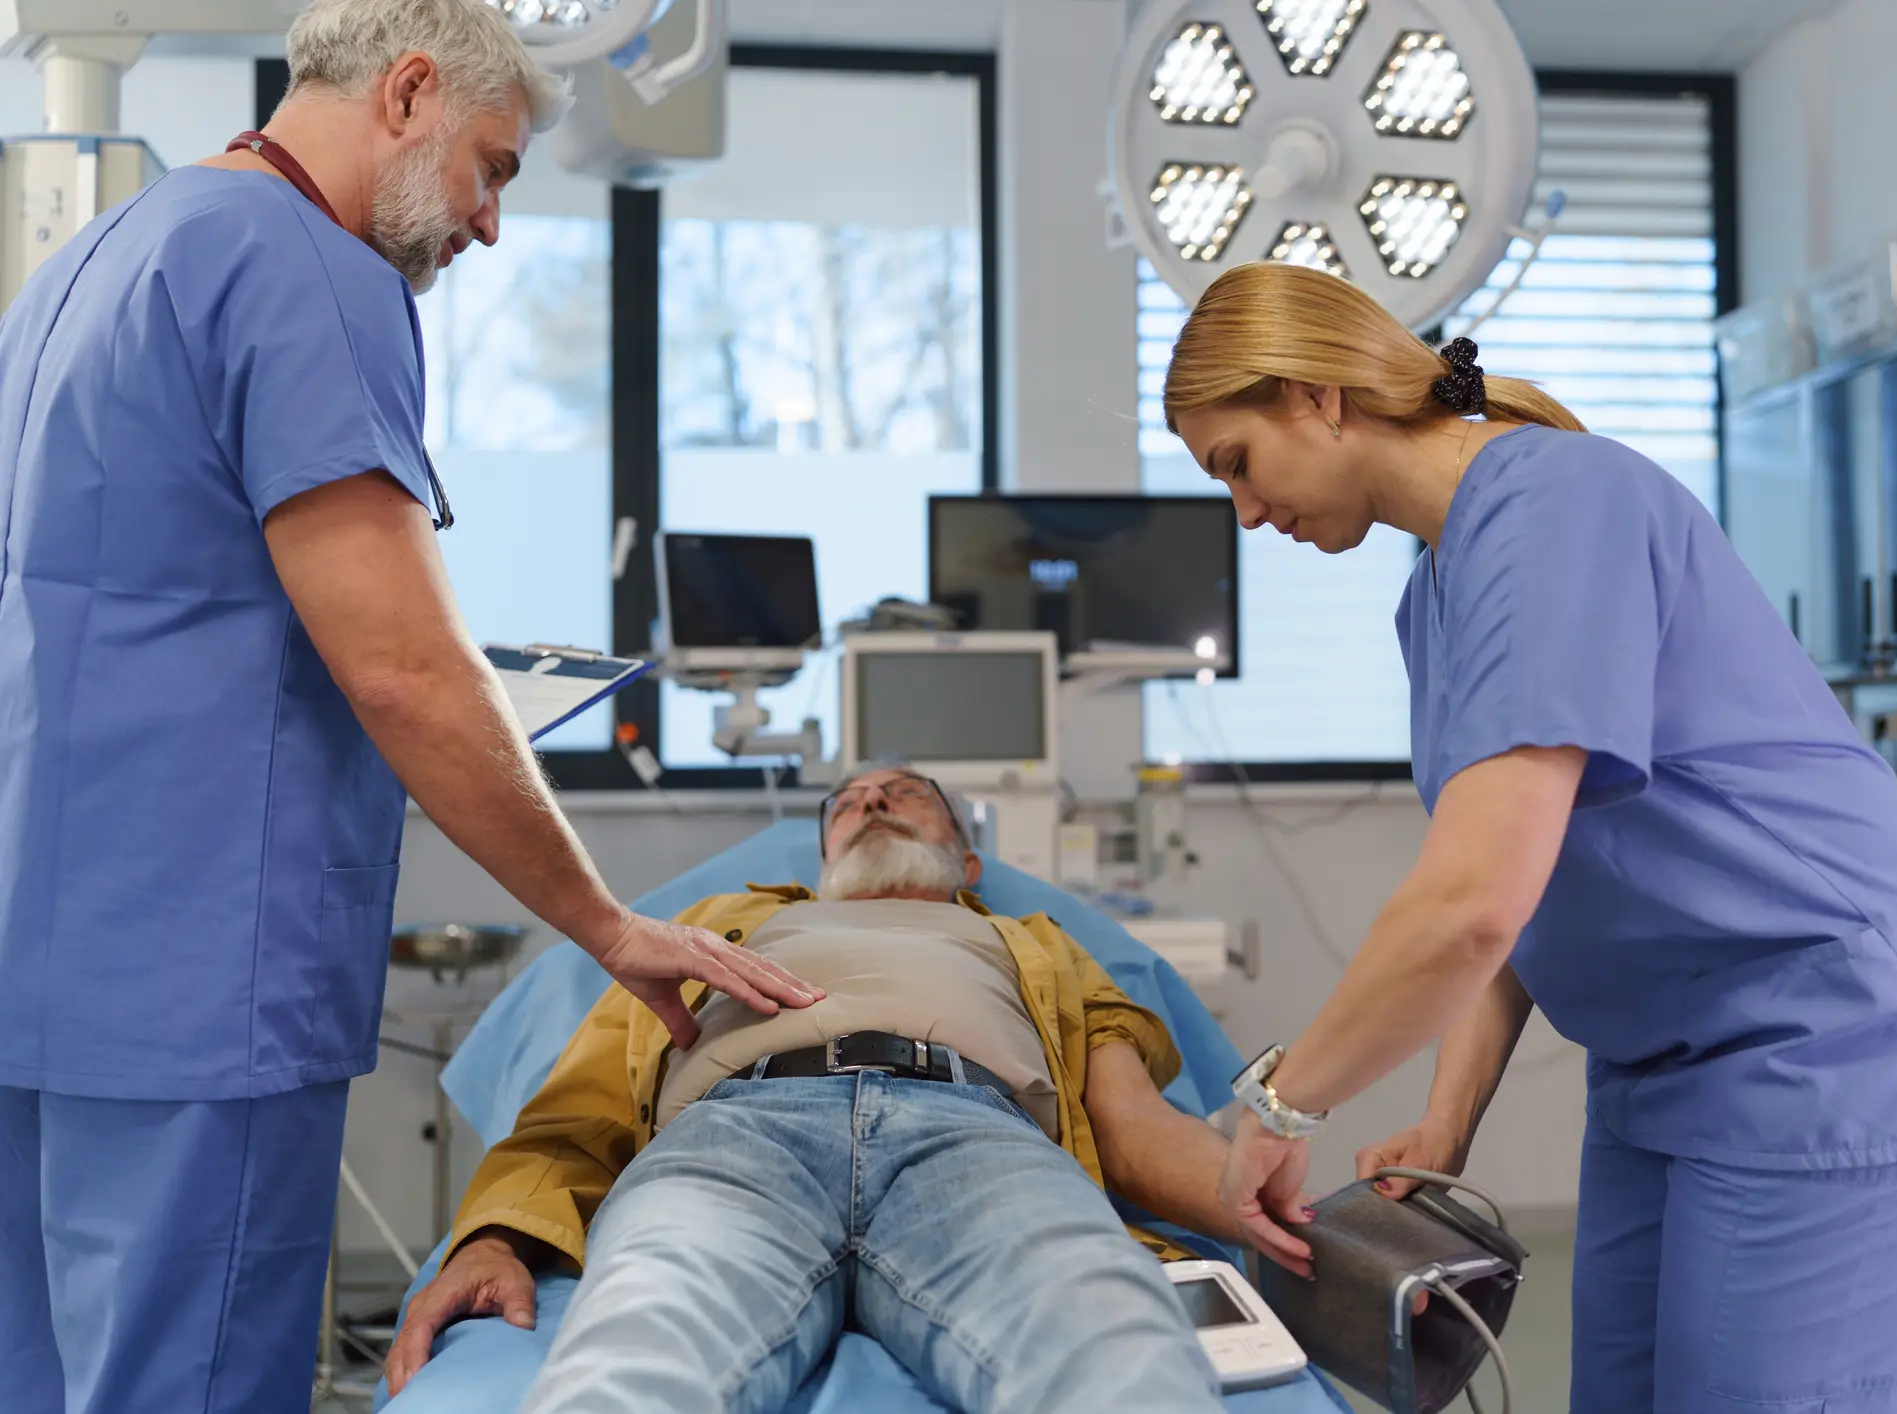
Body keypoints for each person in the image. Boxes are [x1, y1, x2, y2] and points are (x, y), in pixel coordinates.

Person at [0, 4, 816, 1411]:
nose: (491, 224)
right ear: (411, 94)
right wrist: (607, 925)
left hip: (42, 966)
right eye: (492, 169)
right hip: (198, 983)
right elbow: (404, 669)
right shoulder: (312, 271)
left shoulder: (92, 260)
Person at [1163, 262, 1897, 1411]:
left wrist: (1277, 1108)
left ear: (1315, 395)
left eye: (1235, 462)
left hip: (1838, 1040)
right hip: (1667, 1073)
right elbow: (1528, 898)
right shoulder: (1433, 589)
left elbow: (1469, 902)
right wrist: (1447, 1116)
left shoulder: (1553, 506)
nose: (1242, 511)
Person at [383, 765, 1231, 1414]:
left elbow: (1130, 1118)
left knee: (1120, 1348)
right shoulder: (713, 926)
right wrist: (490, 1237)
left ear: (968, 859)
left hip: (979, 1139)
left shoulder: (1035, 941)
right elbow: (583, 1104)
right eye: (849, 802)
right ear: (823, 854)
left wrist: (1275, 1195)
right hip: (734, 1140)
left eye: (904, 793)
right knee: (636, 1356)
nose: (872, 803)